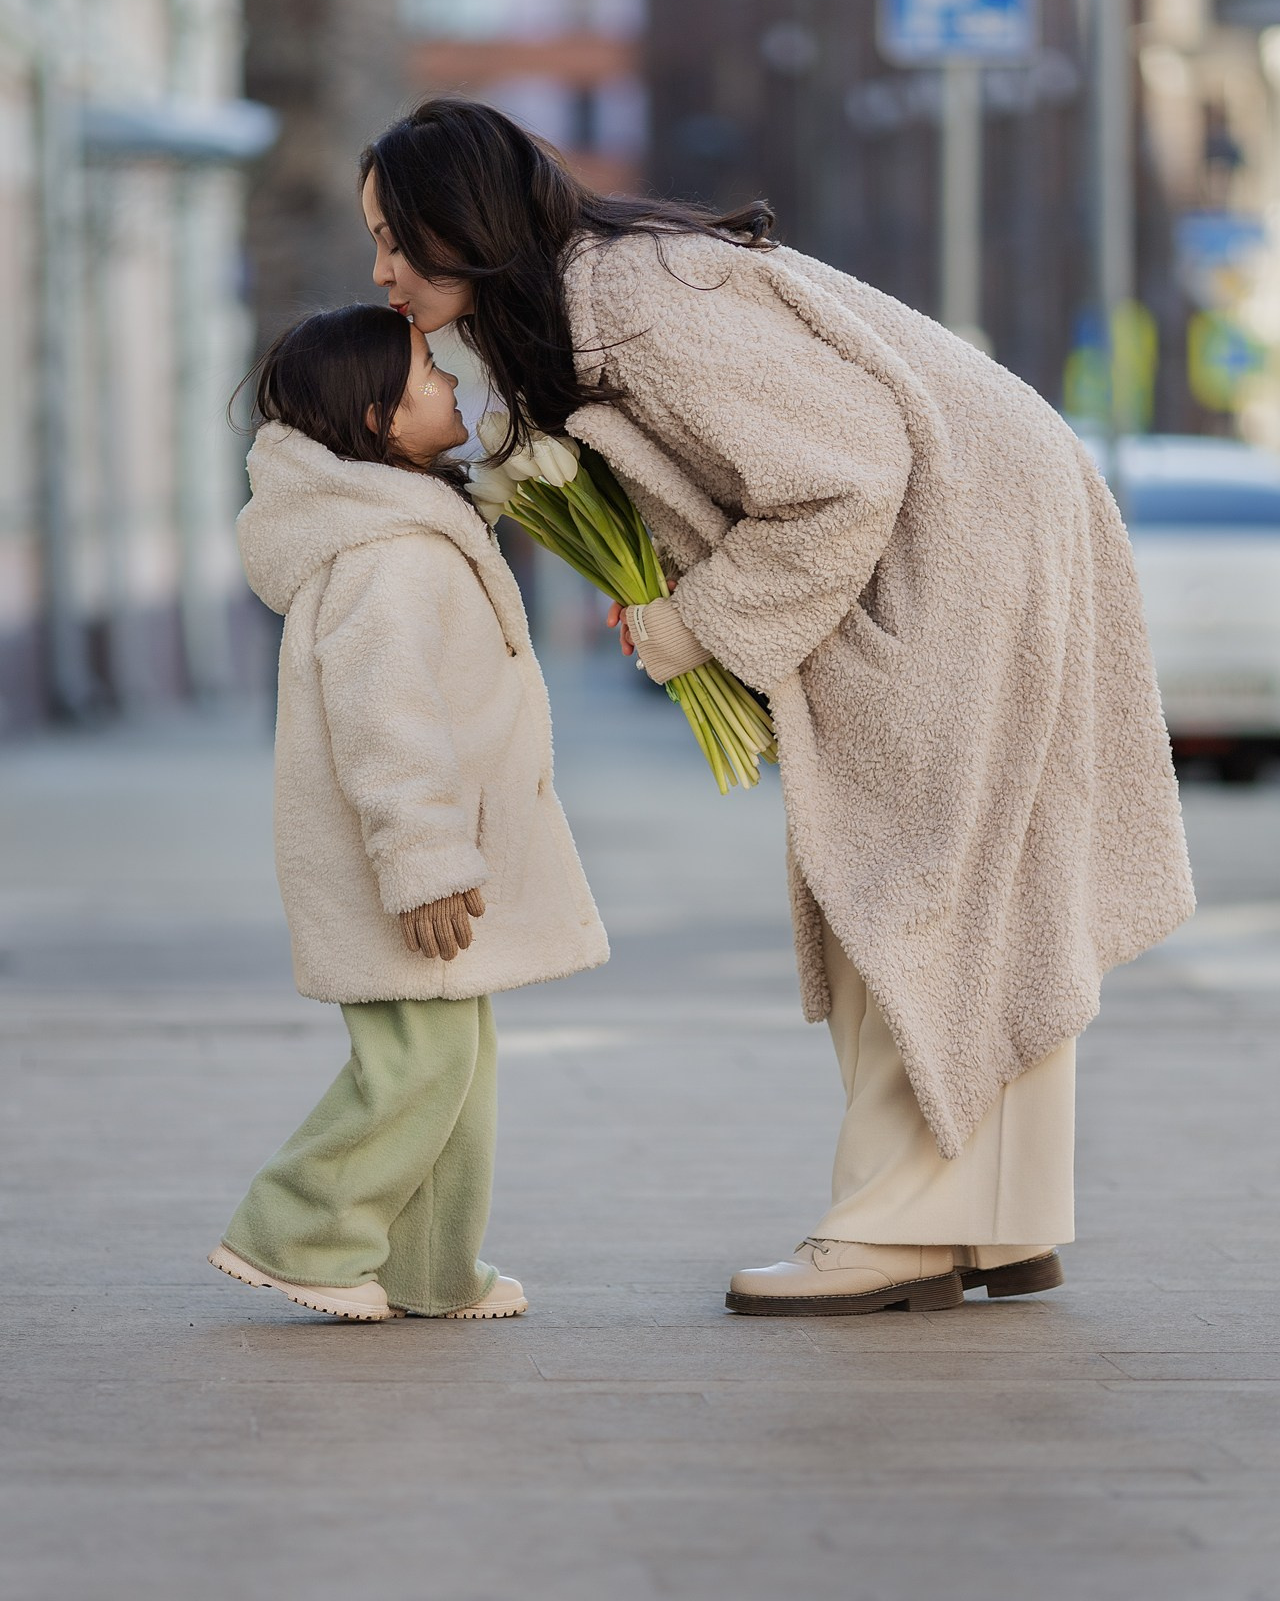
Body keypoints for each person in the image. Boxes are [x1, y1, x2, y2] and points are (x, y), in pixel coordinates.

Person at [357, 97, 1195, 1318]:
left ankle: (894, 1233)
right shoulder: (601, 292)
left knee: (903, 882)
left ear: (461, 224)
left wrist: (698, 621)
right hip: (983, 520)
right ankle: (993, 1215)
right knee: (969, 880)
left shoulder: (625, 301)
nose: (378, 270)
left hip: (959, 544)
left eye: (395, 238)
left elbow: (839, 476)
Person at [209, 305, 607, 1321]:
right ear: (380, 417)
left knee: (456, 1064)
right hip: (399, 866)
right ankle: (299, 1232)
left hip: (436, 861)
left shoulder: (411, 525)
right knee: (414, 1065)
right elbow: (383, 721)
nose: (450, 382)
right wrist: (422, 858)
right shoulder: (384, 555)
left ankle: (429, 1268)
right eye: (429, 371)